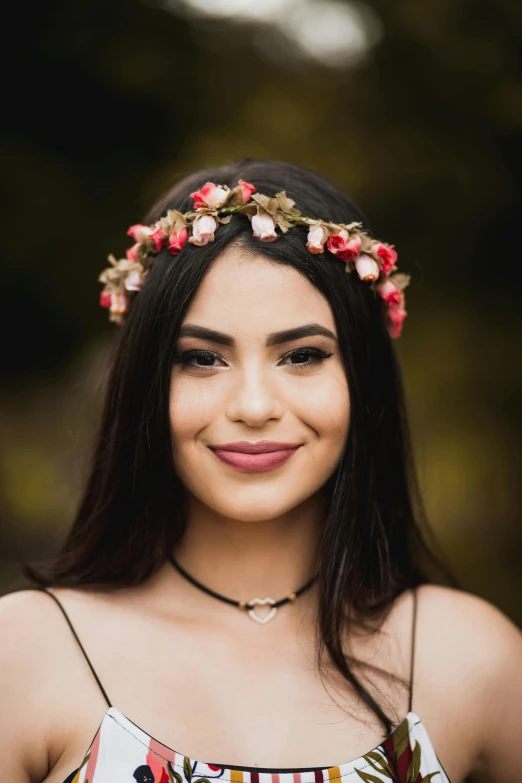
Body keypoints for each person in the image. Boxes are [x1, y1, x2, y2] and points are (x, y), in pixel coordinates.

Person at [1, 159, 520, 783]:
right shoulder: (28, 653)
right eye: (201, 358)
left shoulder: (471, 659)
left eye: (302, 355)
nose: (253, 407)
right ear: (144, 383)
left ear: (363, 378)